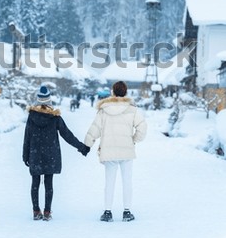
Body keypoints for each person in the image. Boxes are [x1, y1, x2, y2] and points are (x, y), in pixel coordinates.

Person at [23, 85, 90, 221]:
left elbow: (27, 137)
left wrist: (25, 155)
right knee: (49, 183)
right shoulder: (55, 118)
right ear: (49, 101)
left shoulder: (32, 116)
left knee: (35, 183)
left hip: (35, 154)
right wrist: (81, 147)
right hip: (50, 155)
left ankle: (36, 211)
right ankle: (47, 212)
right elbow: (67, 135)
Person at [85, 81, 147, 222]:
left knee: (109, 182)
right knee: (127, 182)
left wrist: (87, 144)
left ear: (113, 92)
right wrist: (134, 140)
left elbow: (94, 129)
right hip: (127, 152)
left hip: (109, 152)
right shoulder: (132, 109)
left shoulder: (104, 109)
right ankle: (127, 212)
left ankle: (107, 212)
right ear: (125, 92)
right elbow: (142, 127)